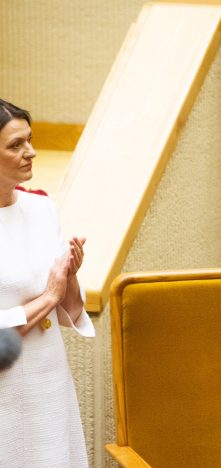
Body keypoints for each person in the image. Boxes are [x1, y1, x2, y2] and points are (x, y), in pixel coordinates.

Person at [0, 99, 95, 467]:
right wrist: (50, 294)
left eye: (30, 139)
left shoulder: (42, 209)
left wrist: (69, 276)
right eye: (15, 145)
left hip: (48, 380)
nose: (31, 152)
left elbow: (70, 310)